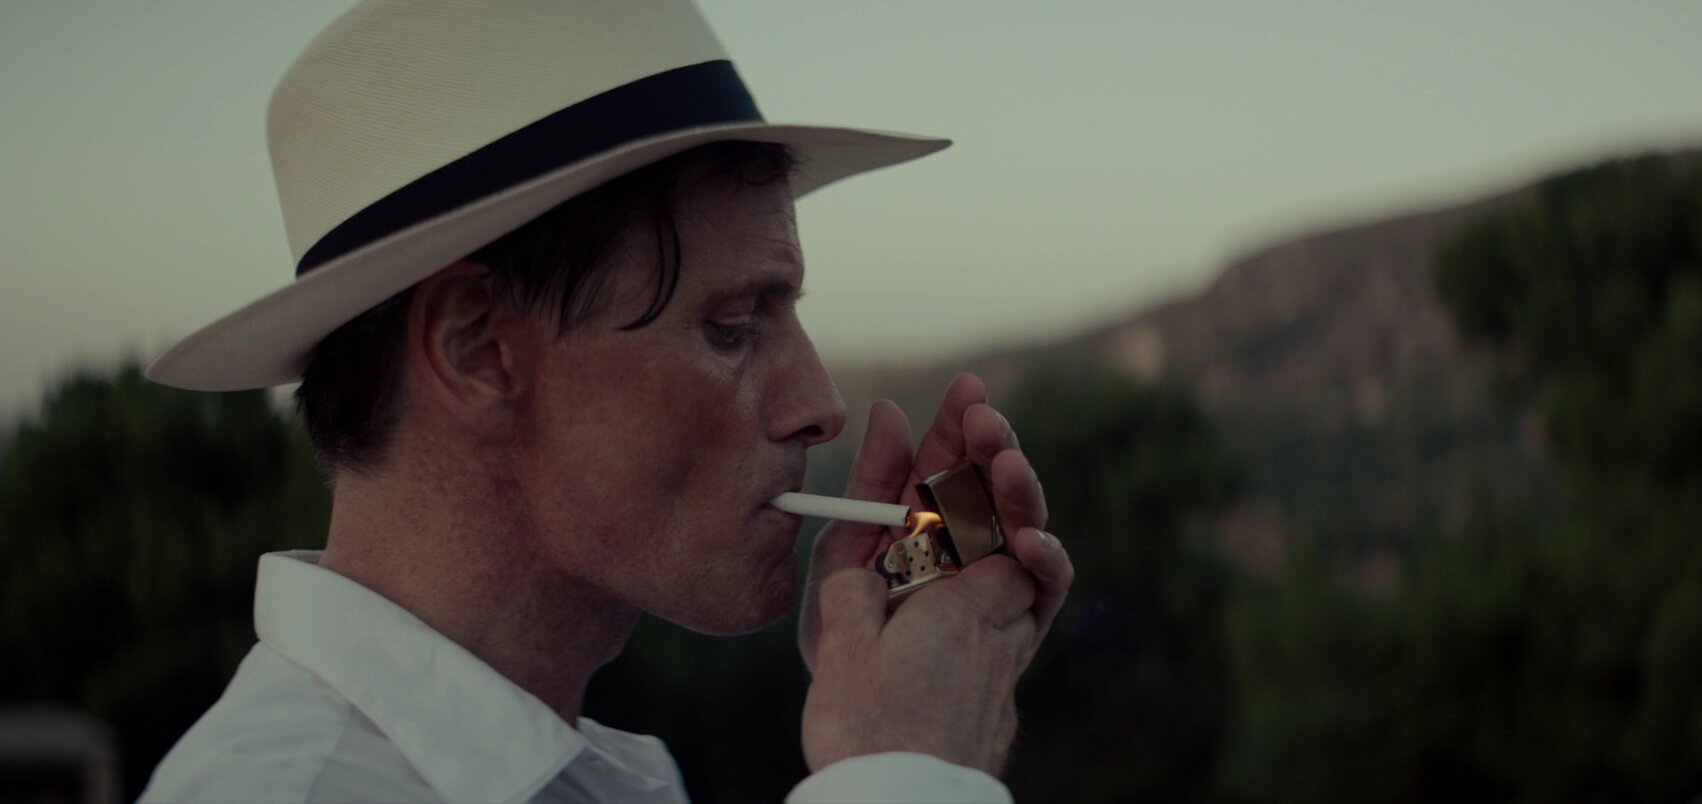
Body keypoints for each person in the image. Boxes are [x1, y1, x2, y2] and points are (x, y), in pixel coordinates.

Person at [137, 2, 1073, 802]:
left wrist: (896, 679)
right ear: (476, 349)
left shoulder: (589, 777)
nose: (821, 404)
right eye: (733, 326)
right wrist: (903, 768)